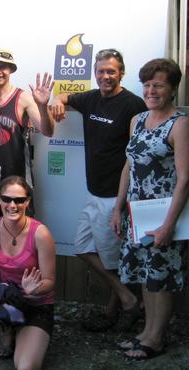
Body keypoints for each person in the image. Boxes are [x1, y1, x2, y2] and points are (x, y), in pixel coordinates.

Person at [51, 49, 146, 332]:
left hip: (115, 197)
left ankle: (118, 307)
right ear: (95, 73)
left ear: (121, 74)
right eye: (101, 71)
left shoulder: (133, 105)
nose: (106, 76)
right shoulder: (91, 98)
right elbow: (67, 98)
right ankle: (126, 299)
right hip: (93, 193)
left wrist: (120, 204)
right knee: (83, 248)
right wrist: (57, 99)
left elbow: (136, 155)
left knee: (112, 258)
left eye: (111, 71)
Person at [111, 58, 189, 361]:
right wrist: (118, 209)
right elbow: (129, 166)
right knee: (145, 274)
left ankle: (156, 338)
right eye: (147, 84)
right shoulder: (138, 120)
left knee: (161, 276)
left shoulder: (180, 124)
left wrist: (169, 225)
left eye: (158, 84)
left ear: (172, 89)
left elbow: (185, 179)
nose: (151, 90)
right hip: (137, 212)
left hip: (165, 214)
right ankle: (146, 331)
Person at [0, 49, 54, 239]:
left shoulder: (22, 98)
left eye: (3, 67)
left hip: (17, 184)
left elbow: (48, 131)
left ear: (11, 70)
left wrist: (42, 106)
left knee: (21, 237)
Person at [0, 176, 56, 370]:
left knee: (26, 366)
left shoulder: (41, 233)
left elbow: (50, 280)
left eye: (19, 200)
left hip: (36, 304)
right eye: (6, 199)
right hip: (7, 299)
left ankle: (19, 332)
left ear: (27, 202)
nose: (12, 205)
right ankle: (8, 331)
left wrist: (36, 289)